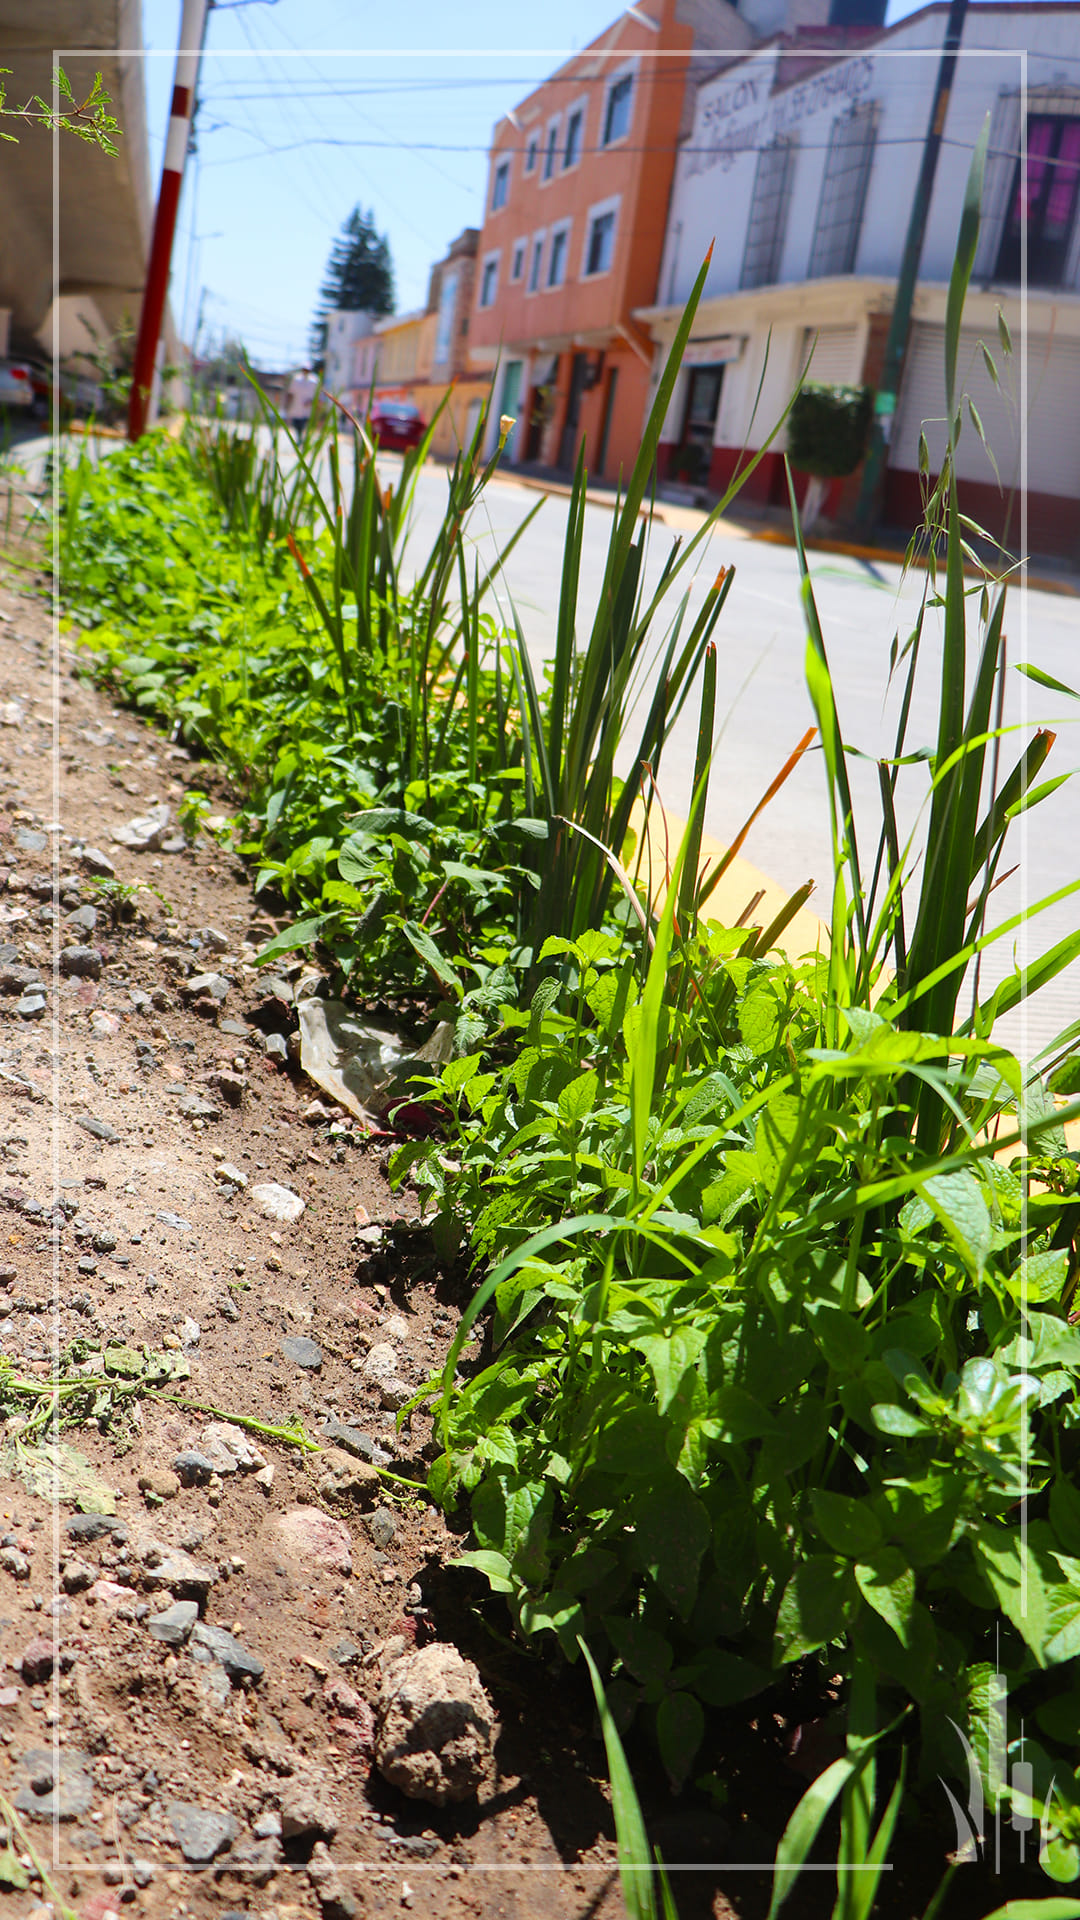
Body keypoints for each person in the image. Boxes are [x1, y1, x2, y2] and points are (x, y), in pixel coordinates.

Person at [285, 365, 317, 437]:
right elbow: (291, 392)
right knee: (296, 421)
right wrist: (288, 402)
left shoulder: (314, 380)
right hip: (296, 404)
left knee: (304, 421)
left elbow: (316, 393)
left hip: (307, 405)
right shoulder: (296, 379)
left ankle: (302, 435)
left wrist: (311, 401)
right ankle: (298, 435)